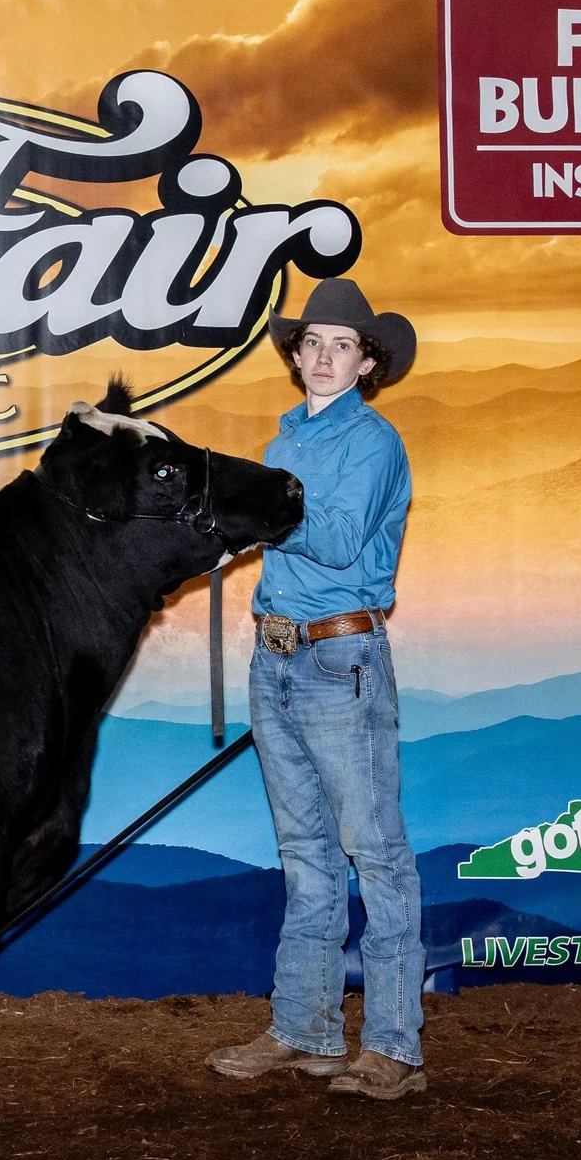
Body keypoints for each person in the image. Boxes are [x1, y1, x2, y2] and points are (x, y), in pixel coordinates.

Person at [206, 278, 427, 1100]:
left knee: (376, 853)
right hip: (280, 656)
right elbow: (281, 530)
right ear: (296, 356)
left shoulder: (371, 441)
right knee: (305, 857)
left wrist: (249, 509)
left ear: (369, 363)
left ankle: (396, 1048)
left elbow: (334, 542)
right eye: (312, 344)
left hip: (341, 660)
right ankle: (305, 1030)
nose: (324, 357)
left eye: (342, 346)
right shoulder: (287, 437)